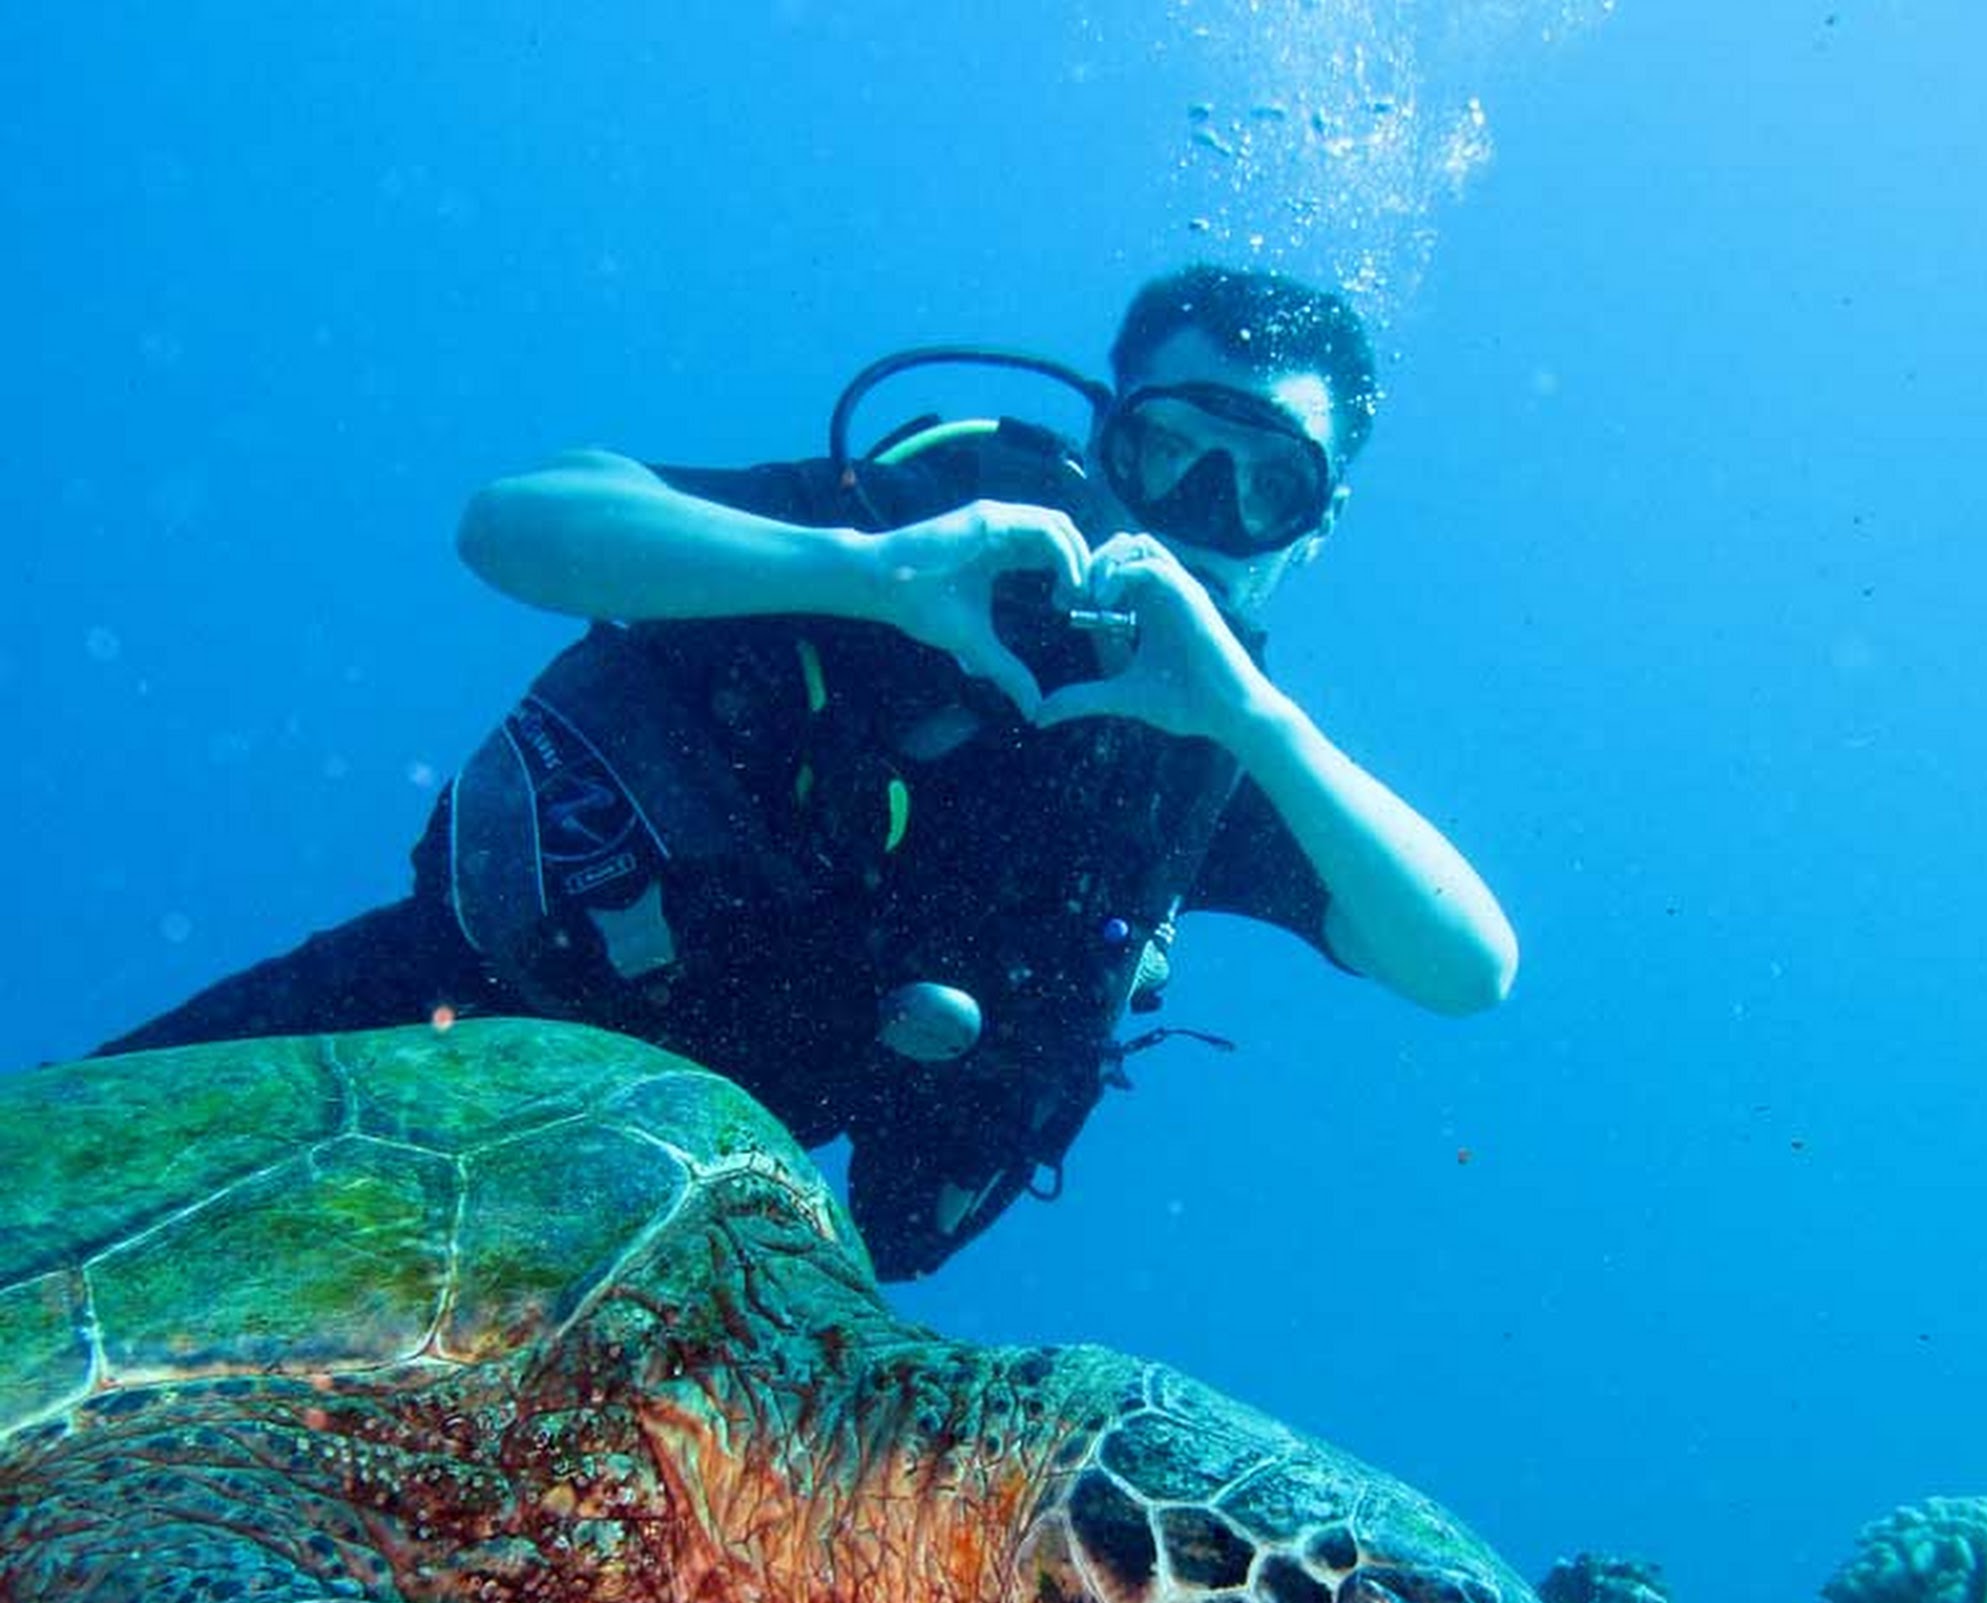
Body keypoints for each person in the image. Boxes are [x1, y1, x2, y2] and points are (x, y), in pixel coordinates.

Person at [104, 264, 1517, 1280]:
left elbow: (1469, 966)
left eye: (1259, 483)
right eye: (1169, 452)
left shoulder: (1212, 769)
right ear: (1105, 441)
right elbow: (513, 523)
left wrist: (1262, 726)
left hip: (684, 1224)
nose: (1200, 515)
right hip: (435, 1022)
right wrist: (864, 574)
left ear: (1311, 530)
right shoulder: (927, 531)